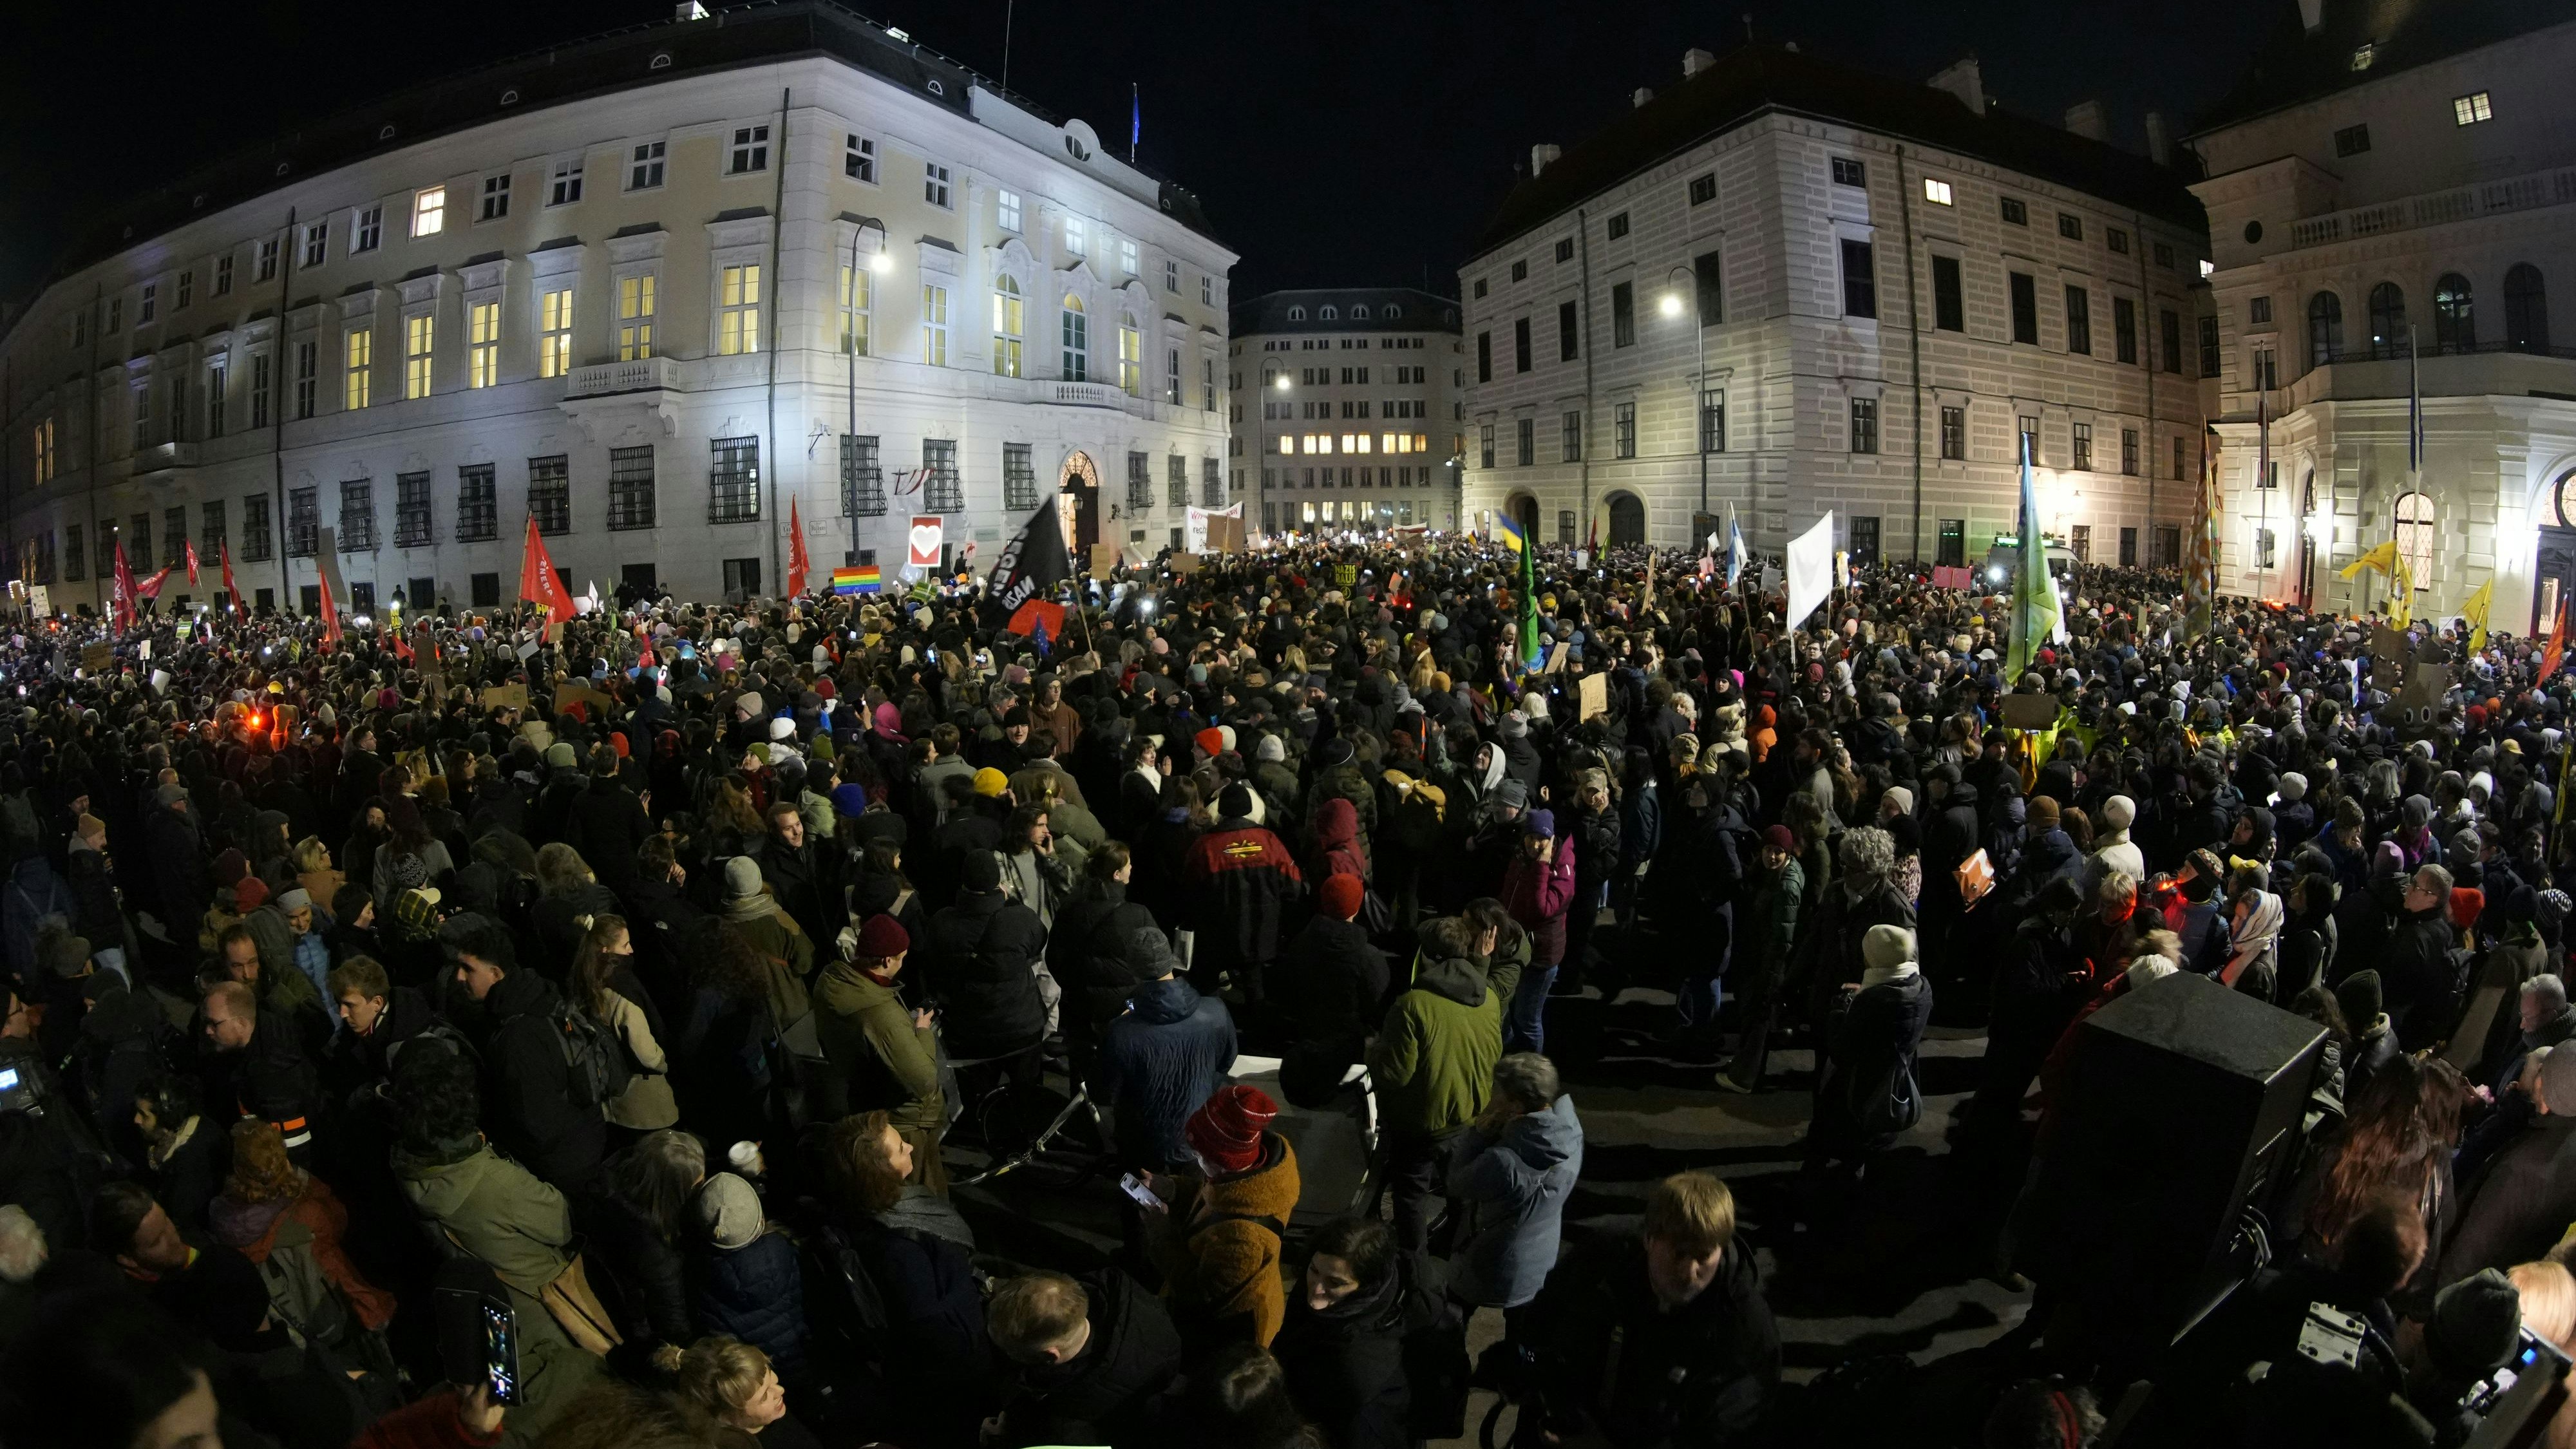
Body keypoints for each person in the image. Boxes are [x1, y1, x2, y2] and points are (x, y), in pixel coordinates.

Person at [1520, 1170, 1781, 1447]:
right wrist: (1526, 1370)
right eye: (1678, 1253)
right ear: (1649, 1239)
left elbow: (1728, 1436)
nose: (1689, 1271)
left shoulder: (1746, 1331)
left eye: (1704, 1255)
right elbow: (1543, 1320)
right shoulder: (1603, 1260)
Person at [1373, 911, 1519, 1257]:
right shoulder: (1490, 1000)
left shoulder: (1411, 1006)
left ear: (1429, 957)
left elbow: (1395, 1074)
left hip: (1423, 1126)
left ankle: (1414, 1264)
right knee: (1460, 1192)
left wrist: (1372, 1053)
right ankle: (1453, 1248)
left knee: (1411, 1196)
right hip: (1470, 1118)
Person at [444, 912, 607, 1191]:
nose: (458, 977)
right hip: (586, 1136)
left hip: (564, 1164)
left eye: (467, 969)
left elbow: (534, 1123)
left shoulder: (517, 1038)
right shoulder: (535, 992)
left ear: (495, 974)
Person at [1144, 1083, 1302, 1347]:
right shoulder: (1249, 1173)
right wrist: (1172, 1188)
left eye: (1199, 1154)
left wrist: (1160, 1235)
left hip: (1226, 1336)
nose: (1195, 1159)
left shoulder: (1243, 1239)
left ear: (1224, 1160)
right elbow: (1214, 1198)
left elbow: (1200, 1292)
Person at [1274, 1215, 1446, 1449]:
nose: (1316, 1291)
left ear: (1367, 1284)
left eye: (1335, 1283)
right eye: (1314, 1271)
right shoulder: (1375, 1287)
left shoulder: (1355, 1364)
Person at [1443, 1052, 1584, 1329]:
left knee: (1454, 1312)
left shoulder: (1502, 1162)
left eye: (1497, 1090)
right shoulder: (1570, 1131)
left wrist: (1478, 1136)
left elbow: (1456, 1182)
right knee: (1521, 1327)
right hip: (1540, 1254)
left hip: (1494, 1262)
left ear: (1514, 1105)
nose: (1491, 1095)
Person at [810, 913, 946, 1188]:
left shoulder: (832, 982)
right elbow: (924, 1081)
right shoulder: (882, 1017)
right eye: (902, 957)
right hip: (905, 1120)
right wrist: (922, 1032)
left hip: (866, 1102)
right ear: (887, 960)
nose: (902, 963)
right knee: (920, 1186)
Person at [987, 1269, 1184, 1449]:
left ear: (1050, 1355)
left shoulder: (1067, 1414)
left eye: (1012, 1352)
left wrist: (1003, 1436)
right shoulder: (1123, 1293)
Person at [1095, 926, 1236, 1173]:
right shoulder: (1216, 1012)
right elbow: (1225, 1061)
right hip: (1198, 1134)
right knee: (1191, 1203)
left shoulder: (1121, 1030)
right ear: (1171, 960)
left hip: (1144, 1143)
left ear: (1133, 969)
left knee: (1142, 1203)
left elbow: (1107, 1092)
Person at [1182, 782, 1305, 1008]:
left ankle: (1210, 1029)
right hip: (1259, 932)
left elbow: (1189, 889)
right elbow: (1294, 885)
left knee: (1207, 987)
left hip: (1217, 933)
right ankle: (1256, 1032)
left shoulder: (1205, 846)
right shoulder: (1269, 841)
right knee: (1254, 984)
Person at [686, 1171, 807, 1383]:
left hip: (764, 1369)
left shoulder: (703, 1278)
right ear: (759, 1218)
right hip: (807, 1345)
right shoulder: (786, 1247)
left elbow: (722, 1340)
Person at [571, 915, 679, 1148]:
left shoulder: (583, 981)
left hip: (611, 1102)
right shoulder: (624, 994)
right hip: (642, 1104)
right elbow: (647, 1054)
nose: (631, 950)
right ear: (606, 949)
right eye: (625, 945)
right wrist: (665, 1062)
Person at [1720, 824, 1806, 1094]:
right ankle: (1748, 1067)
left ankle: (1745, 1077)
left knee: (1759, 1017)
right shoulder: (1768, 874)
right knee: (1754, 1016)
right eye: (1769, 850)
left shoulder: (1787, 885)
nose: (1772, 857)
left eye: (1779, 852)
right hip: (1758, 957)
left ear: (1788, 853)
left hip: (1769, 963)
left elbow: (1782, 938)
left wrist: (1771, 974)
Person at [197, 978, 322, 1159]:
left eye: (214, 1024)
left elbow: (295, 1146)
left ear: (241, 1023)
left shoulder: (276, 1076)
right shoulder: (263, 1025)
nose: (208, 1031)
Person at [1498, 808, 1578, 1054]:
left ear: (1552, 839)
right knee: (1508, 1009)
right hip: (1515, 947)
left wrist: (1542, 866)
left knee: (1528, 1019)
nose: (1535, 844)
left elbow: (1541, 909)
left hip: (1540, 956)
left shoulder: (1561, 870)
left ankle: (1532, 1069)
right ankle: (1511, 1056)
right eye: (1530, 836)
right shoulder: (1521, 856)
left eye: (1542, 838)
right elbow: (1509, 894)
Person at [653, 1335, 823, 1448]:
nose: (780, 1391)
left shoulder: (770, 1416)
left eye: (774, 1381)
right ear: (728, 1414)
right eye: (764, 1396)